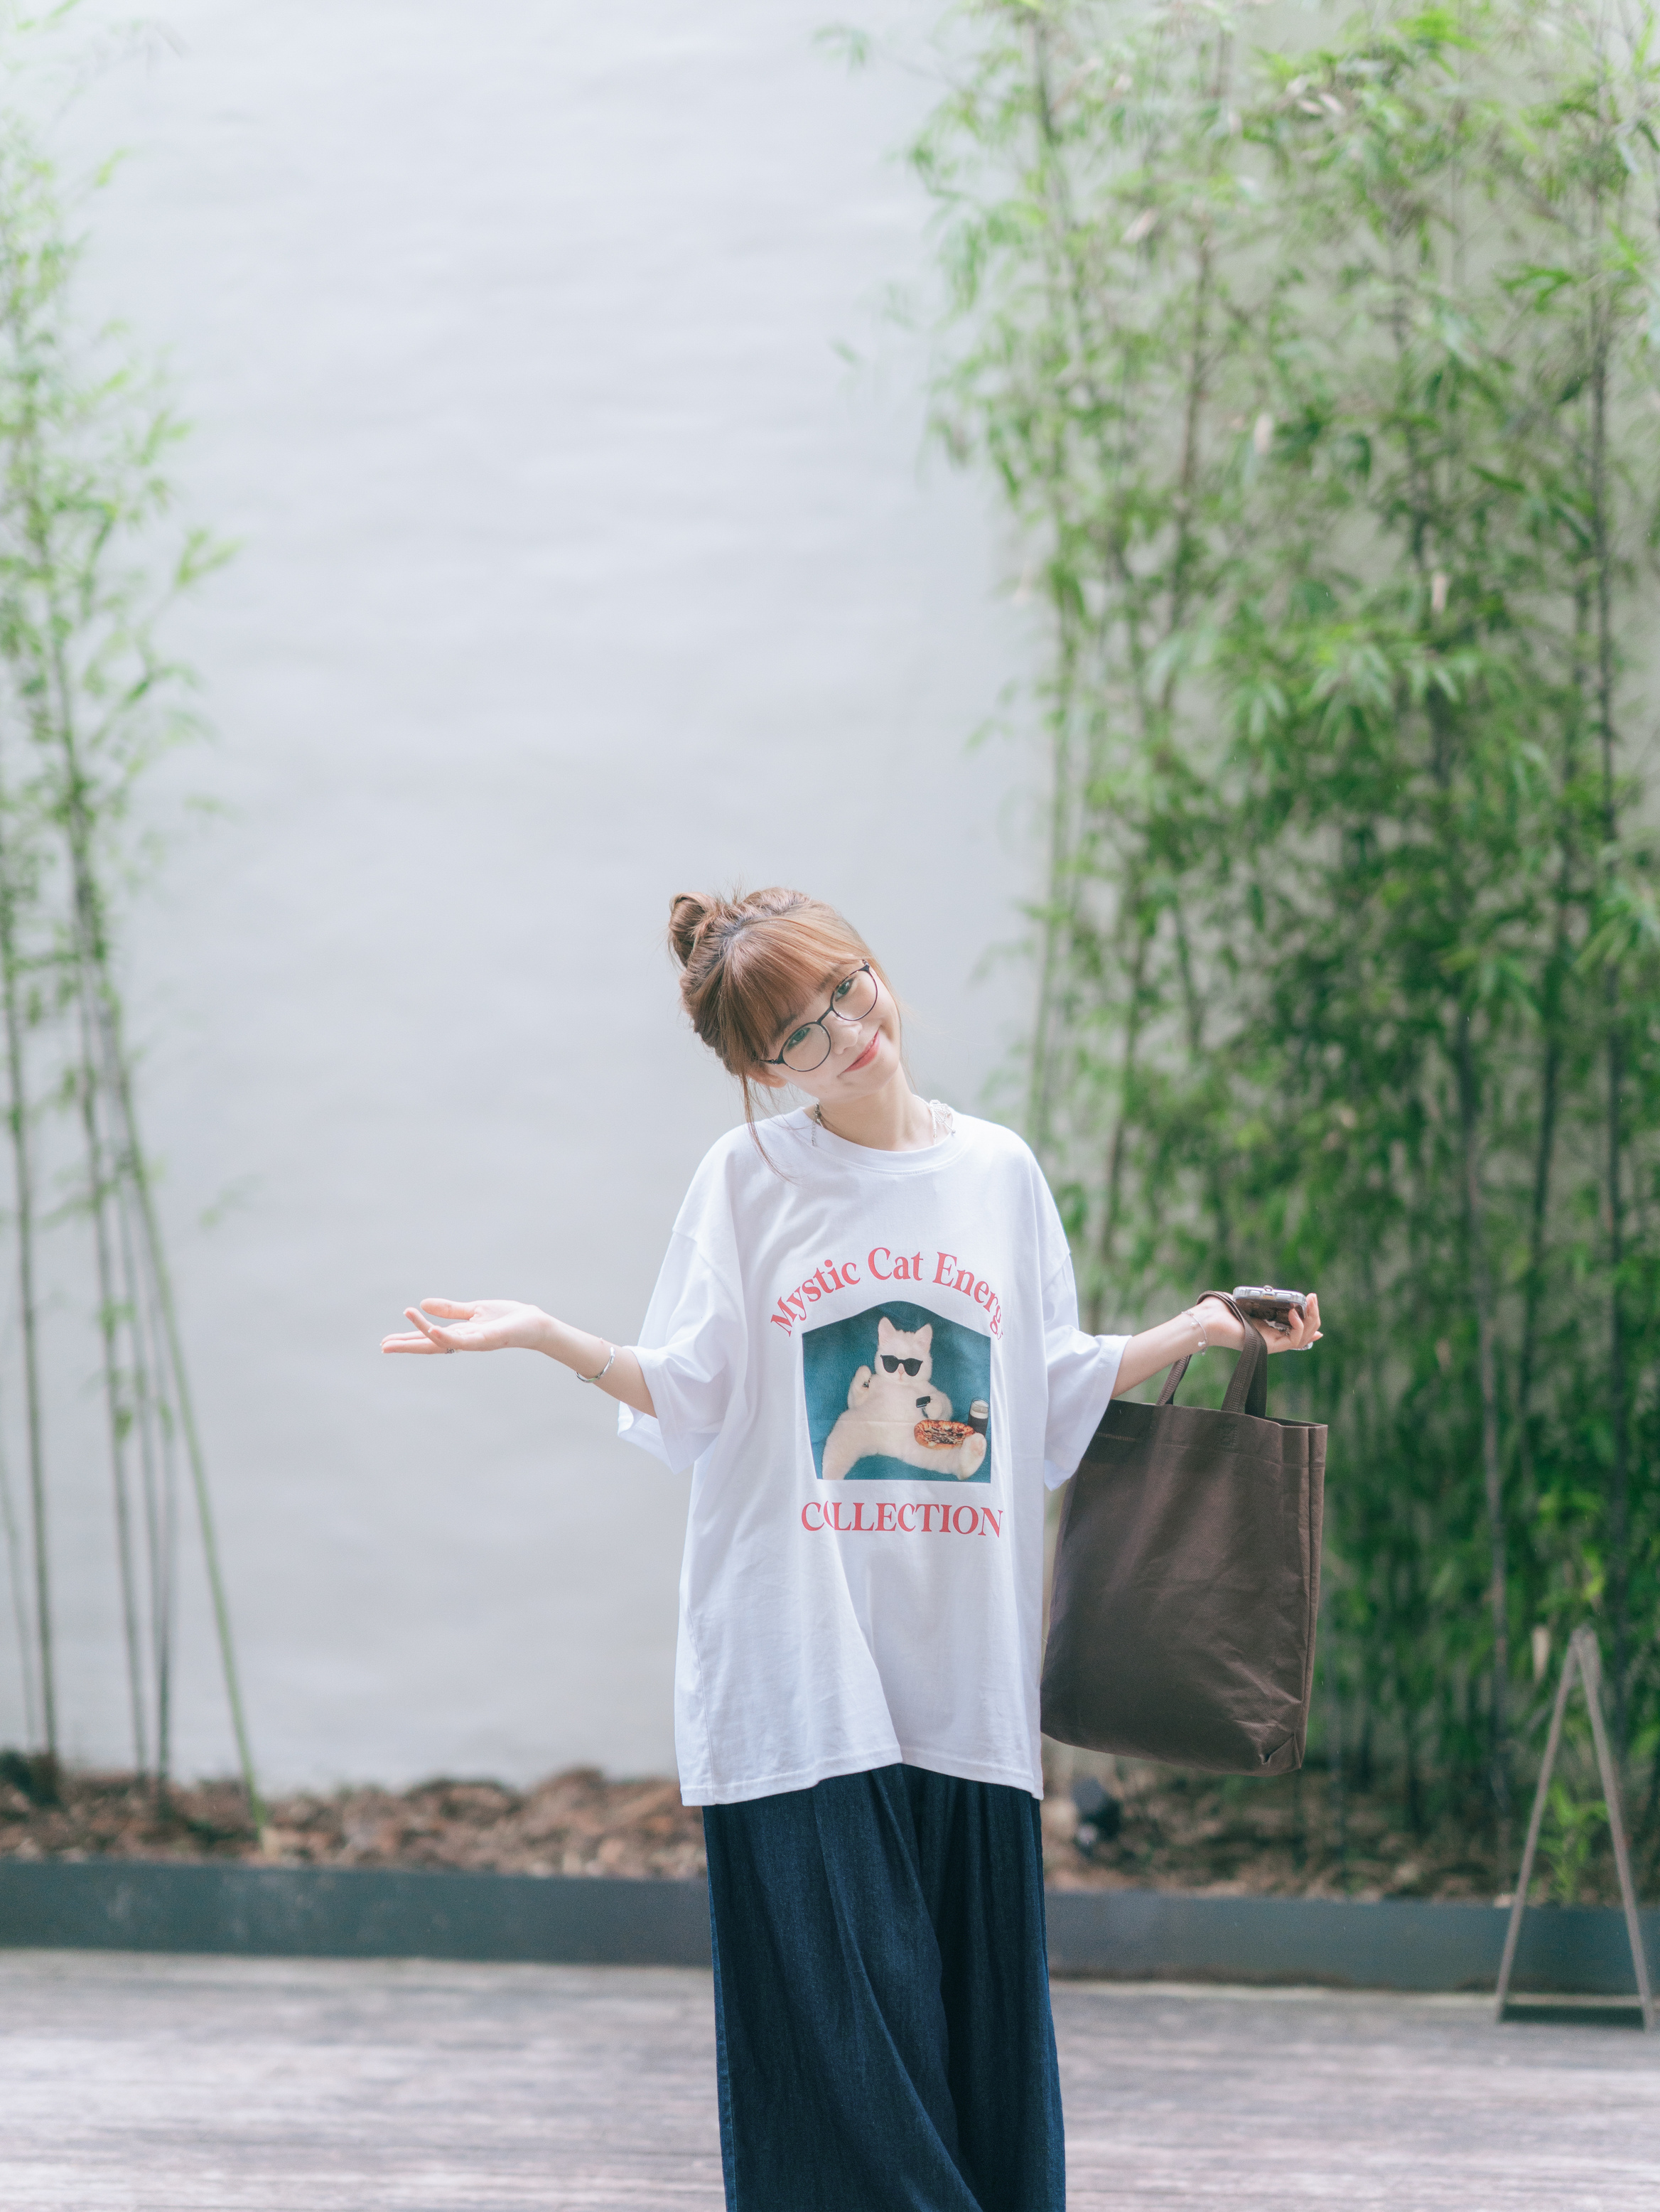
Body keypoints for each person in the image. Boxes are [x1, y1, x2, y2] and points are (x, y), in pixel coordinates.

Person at [382, 885, 1322, 2212]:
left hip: (965, 1689)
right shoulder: (749, 1181)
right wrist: (548, 1336)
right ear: (765, 1072)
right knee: (847, 2105)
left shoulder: (999, 1173)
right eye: (800, 1036)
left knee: (979, 2089)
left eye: (846, 989)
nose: (846, 1031)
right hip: (798, 1683)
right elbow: (692, 1394)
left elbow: (1045, 1393)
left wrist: (1202, 1328)